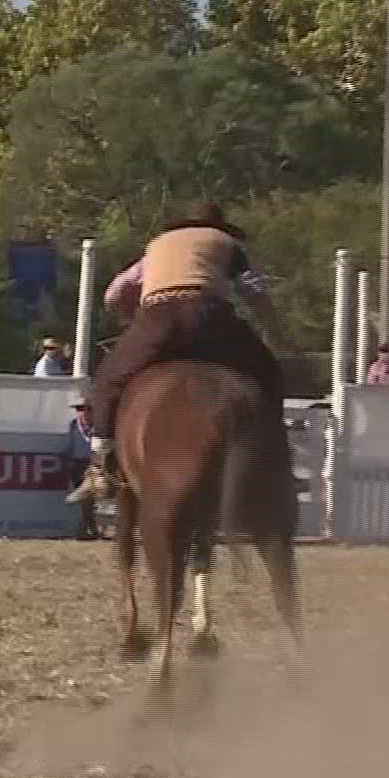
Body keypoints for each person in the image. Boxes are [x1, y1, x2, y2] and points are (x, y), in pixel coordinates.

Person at [69, 200, 290, 504]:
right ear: (220, 226)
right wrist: (274, 333)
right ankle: (273, 461)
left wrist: (133, 322)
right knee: (267, 371)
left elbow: (115, 293)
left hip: (157, 318)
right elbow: (254, 291)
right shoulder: (226, 243)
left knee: (108, 380)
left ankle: (100, 466)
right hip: (210, 316)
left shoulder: (157, 246)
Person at [63, 402, 102, 539]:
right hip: (76, 464)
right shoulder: (73, 425)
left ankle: (85, 528)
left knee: (88, 497)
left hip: (92, 464)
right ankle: (90, 528)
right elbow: (69, 444)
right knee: (85, 499)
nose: (83, 412)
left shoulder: (98, 427)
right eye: (80, 409)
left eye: (87, 409)